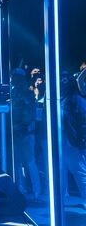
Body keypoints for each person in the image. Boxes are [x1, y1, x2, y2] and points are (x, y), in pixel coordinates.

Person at [11, 68, 41, 202]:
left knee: (30, 162)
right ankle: (20, 189)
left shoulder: (28, 93)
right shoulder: (12, 92)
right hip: (16, 132)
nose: (13, 79)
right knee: (17, 162)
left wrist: (21, 126)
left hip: (27, 133)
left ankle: (37, 193)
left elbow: (31, 114)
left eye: (15, 77)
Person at [62, 63, 86, 209]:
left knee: (79, 170)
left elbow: (81, 122)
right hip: (74, 138)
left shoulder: (79, 97)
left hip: (76, 139)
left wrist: (79, 139)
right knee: (78, 169)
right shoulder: (72, 98)